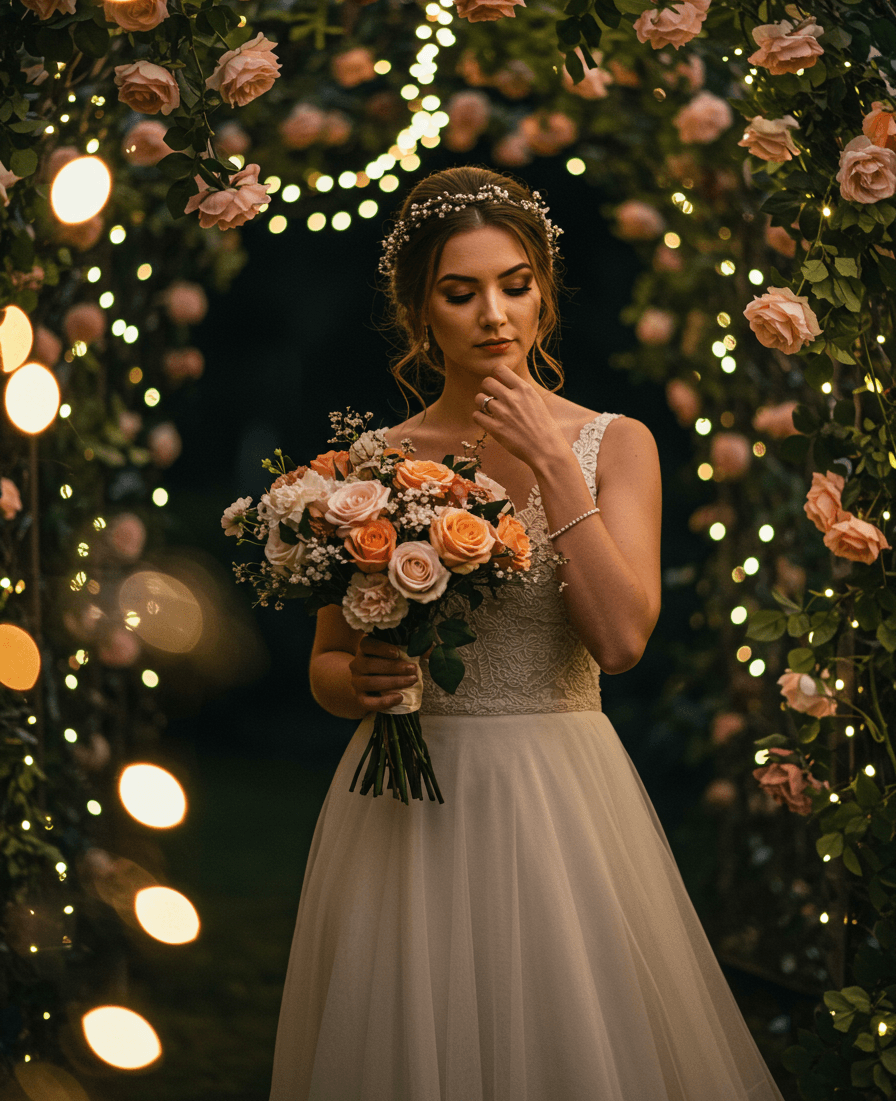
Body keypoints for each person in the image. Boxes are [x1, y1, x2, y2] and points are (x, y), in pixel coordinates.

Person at [268, 166, 785, 1101]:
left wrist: (555, 464)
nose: (493, 315)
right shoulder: (364, 470)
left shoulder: (614, 444)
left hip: (559, 794)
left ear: (544, 288)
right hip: (402, 810)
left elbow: (622, 641)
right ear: (421, 311)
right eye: (460, 293)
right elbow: (326, 670)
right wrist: (366, 682)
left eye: (514, 284)